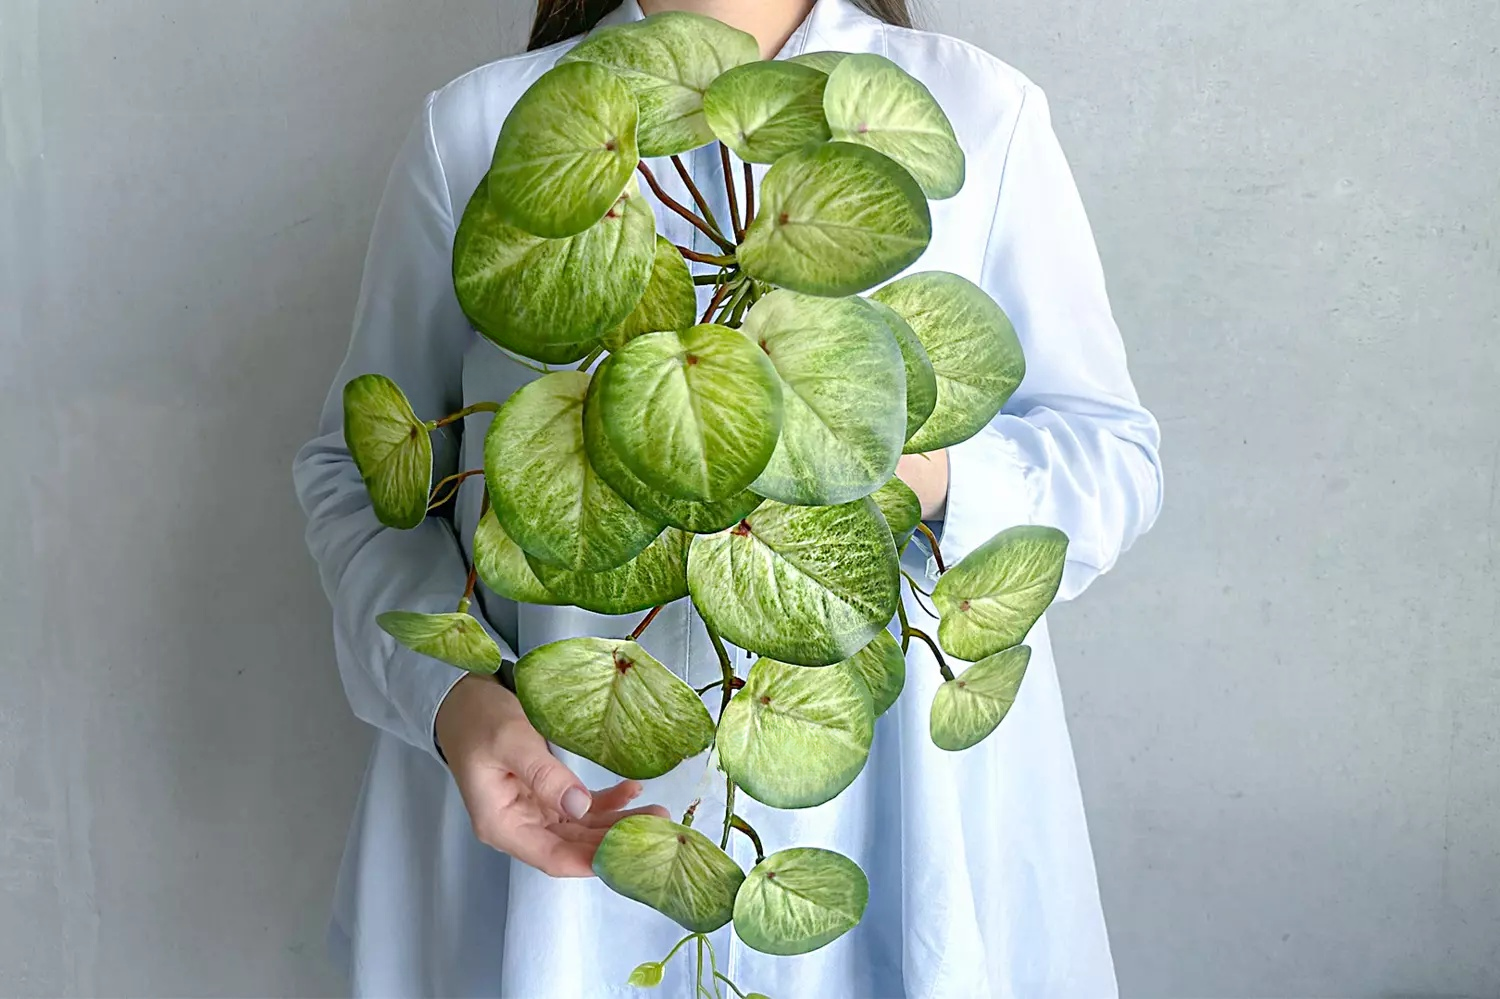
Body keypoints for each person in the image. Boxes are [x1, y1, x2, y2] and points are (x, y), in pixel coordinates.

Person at [293, 0, 1164, 995]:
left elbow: (1112, 458)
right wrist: (451, 700)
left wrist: (896, 465)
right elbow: (357, 477)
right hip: (557, 822)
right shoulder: (483, 130)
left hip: (906, 822)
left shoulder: (976, 110)